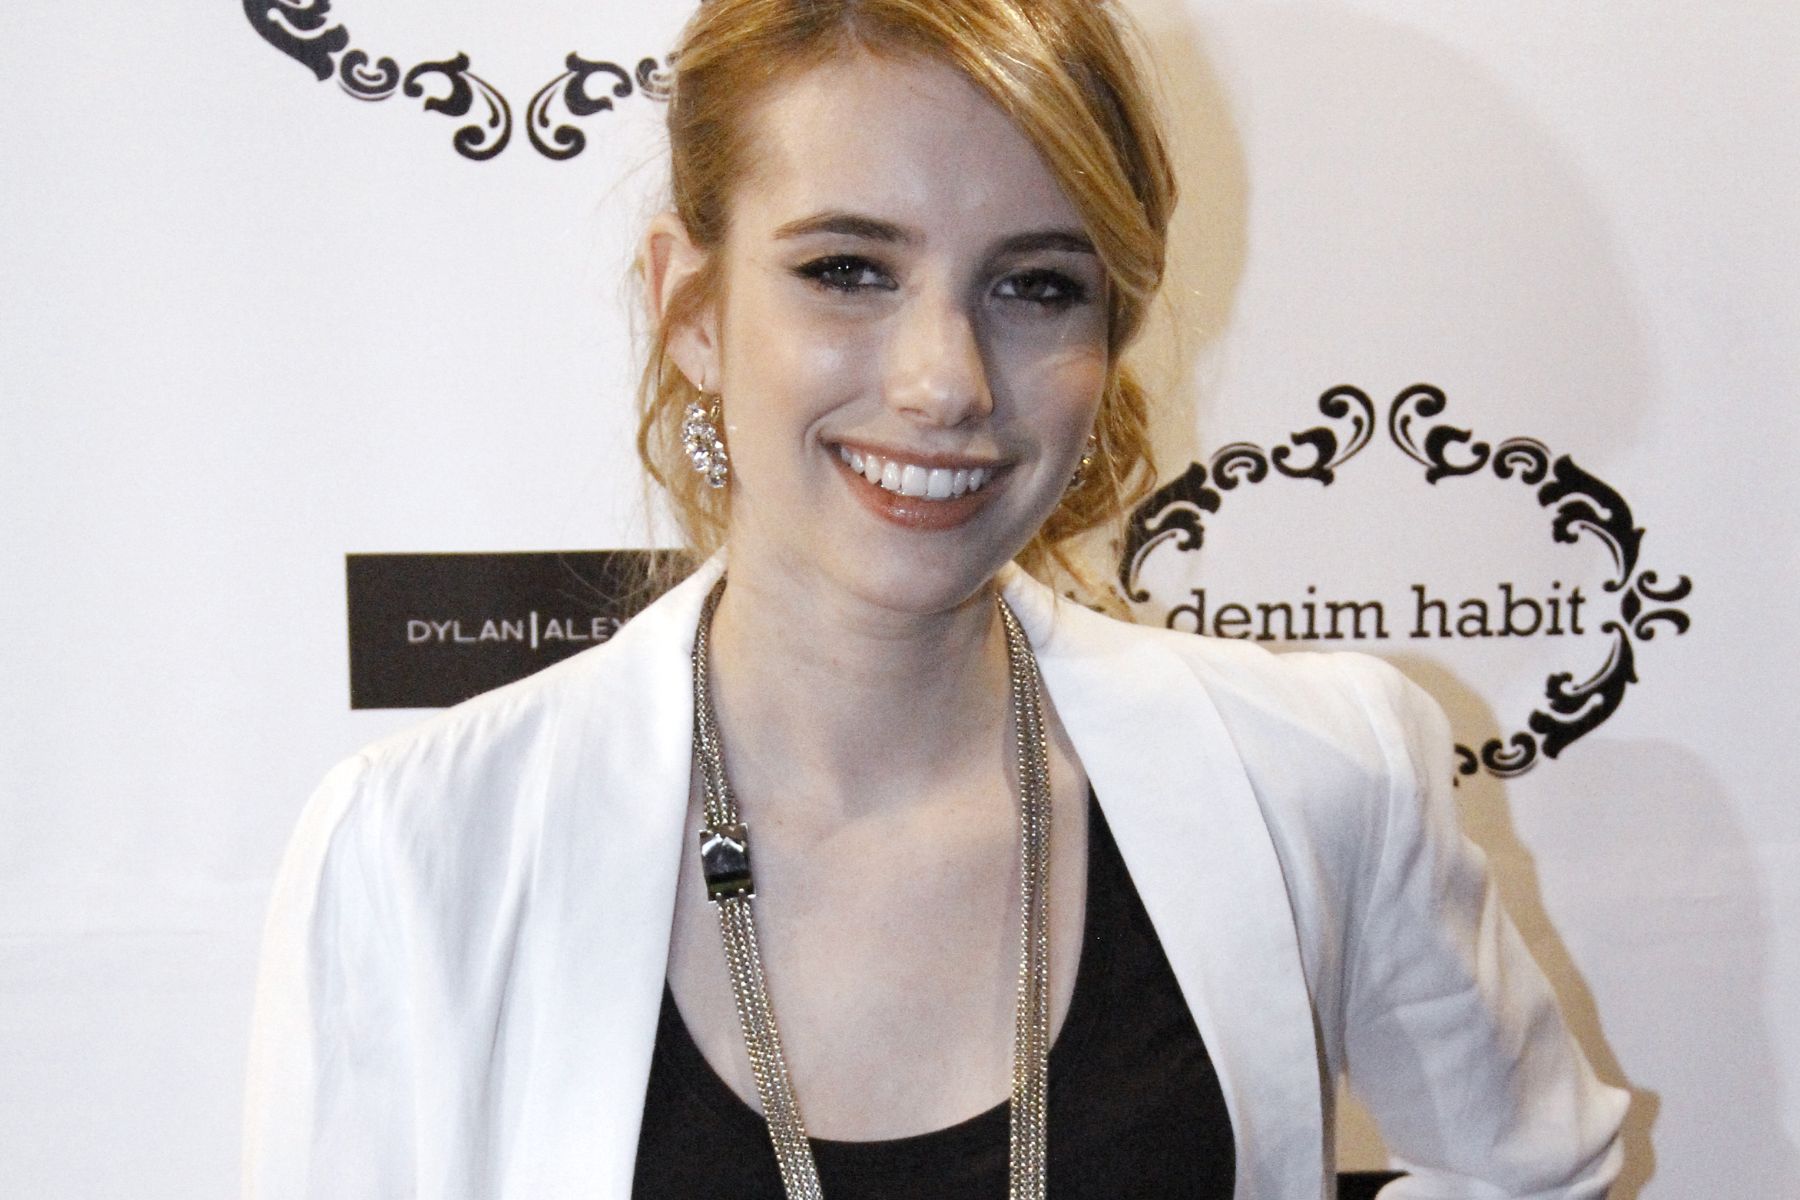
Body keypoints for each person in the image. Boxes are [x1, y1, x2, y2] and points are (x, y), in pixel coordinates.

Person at [243, 1, 1629, 1196]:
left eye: (1036, 286)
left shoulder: (1315, 769)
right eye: (847, 271)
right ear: (693, 306)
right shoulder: (419, 851)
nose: (945, 381)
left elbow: (1532, 1170)